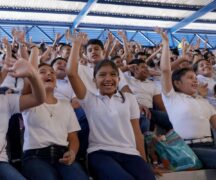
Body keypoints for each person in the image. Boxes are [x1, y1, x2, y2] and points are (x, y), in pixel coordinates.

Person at [66, 32, 155, 180]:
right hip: (100, 153)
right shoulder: (89, 99)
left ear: (119, 79)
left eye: (113, 75)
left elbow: (137, 133)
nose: (108, 79)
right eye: (102, 75)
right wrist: (76, 45)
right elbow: (71, 73)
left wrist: (144, 163)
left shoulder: (129, 99)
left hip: (130, 153)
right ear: (94, 80)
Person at [21, 47, 88, 180]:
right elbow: (29, 76)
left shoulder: (65, 104)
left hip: (62, 155)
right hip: (35, 157)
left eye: (52, 72)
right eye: (42, 72)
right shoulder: (29, 101)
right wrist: (34, 50)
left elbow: (73, 138)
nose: (49, 74)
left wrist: (72, 152)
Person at [156, 27, 216, 168]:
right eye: (190, 78)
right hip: (187, 149)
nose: (195, 80)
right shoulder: (172, 98)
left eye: (195, 78)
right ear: (176, 82)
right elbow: (165, 70)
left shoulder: (204, 102)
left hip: (210, 145)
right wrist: (165, 43)